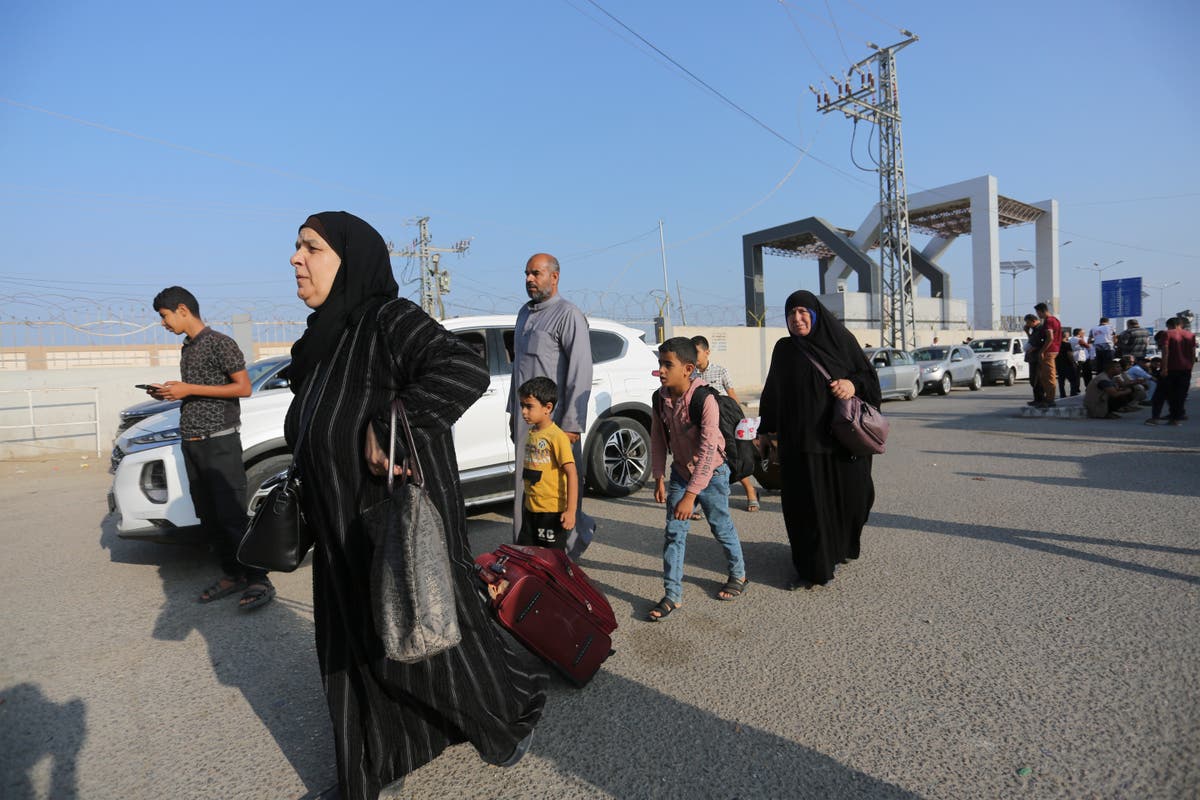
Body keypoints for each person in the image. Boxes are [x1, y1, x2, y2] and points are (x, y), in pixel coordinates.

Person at [286, 212, 544, 799]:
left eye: (311, 248)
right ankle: (372, 770)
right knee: (354, 653)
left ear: (350, 260)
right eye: (296, 247)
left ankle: (501, 727)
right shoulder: (322, 340)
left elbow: (463, 368)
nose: (296, 259)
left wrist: (389, 421)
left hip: (392, 529)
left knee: (434, 650)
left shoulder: (386, 319)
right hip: (339, 536)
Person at [149, 286, 270, 611]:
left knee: (231, 517)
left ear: (182, 310)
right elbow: (201, 392)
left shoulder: (220, 343)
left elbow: (242, 387)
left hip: (220, 442)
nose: (164, 324)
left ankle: (258, 578)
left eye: (164, 316)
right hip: (193, 444)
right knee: (209, 517)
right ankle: (231, 574)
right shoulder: (188, 347)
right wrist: (175, 393)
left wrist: (189, 388)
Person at [756, 290, 881, 590]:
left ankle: (841, 547)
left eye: (803, 312)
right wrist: (765, 431)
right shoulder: (784, 350)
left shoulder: (841, 342)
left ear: (815, 314)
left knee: (854, 500)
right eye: (791, 314)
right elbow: (773, 392)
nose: (797, 319)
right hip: (800, 447)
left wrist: (852, 384)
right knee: (806, 508)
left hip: (841, 445)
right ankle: (813, 568)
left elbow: (870, 379)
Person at [646, 337, 748, 621]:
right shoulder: (659, 398)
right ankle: (672, 594)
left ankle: (738, 575)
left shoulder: (705, 399)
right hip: (680, 471)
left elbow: (706, 451)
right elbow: (657, 439)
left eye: (668, 365)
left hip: (712, 473)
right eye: (660, 364)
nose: (662, 370)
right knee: (674, 534)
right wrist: (658, 477)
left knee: (720, 525)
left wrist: (691, 496)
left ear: (688, 369)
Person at [510, 253, 596, 554]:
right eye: (526, 274)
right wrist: (513, 416)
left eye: (536, 273)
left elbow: (580, 371)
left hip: (555, 423)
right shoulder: (523, 313)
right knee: (528, 487)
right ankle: (527, 550)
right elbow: (518, 369)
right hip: (525, 421)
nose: (529, 280)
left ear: (554, 277)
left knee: (561, 488)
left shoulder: (568, 314)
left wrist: (572, 423)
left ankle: (570, 550)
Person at [691, 335, 759, 512]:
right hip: (702, 422)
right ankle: (697, 501)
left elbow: (732, 395)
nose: (693, 356)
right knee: (702, 459)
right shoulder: (690, 375)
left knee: (731, 457)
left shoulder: (720, 371)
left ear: (707, 352)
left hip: (724, 422)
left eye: (696, 352)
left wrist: (742, 421)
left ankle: (750, 491)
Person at [515, 376, 578, 549]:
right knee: (526, 555)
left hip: (551, 512)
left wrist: (570, 511)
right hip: (530, 510)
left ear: (547, 408)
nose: (523, 412)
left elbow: (571, 473)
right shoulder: (532, 433)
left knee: (552, 561)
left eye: (529, 406)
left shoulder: (556, 437)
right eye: (522, 406)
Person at [1159, 316, 1198, 426]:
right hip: (1186, 368)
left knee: (1171, 394)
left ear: (1170, 325)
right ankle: (1179, 414)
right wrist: (1190, 366)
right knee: (1182, 393)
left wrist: (1164, 368)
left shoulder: (1167, 334)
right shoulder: (1190, 335)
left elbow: (1165, 352)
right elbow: (1193, 353)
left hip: (1172, 367)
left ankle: (1174, 417)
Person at [1034, 302, 1062, 407]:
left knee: (1049, 376)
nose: (1038, 315)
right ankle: (1047, 398)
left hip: (1049, 350)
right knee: (1044, 376)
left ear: (1042, 311)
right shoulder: (1055, 320)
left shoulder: (1049, 321)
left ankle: (1050, 399)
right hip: (1053, 350)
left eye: (1038, 313)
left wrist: (1042, 351)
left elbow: (1050, 337)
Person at [1023, 314, 1045, 406]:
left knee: (1037, 379)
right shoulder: (1034, 330)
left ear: (1034, 321)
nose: (1027, 324)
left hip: (1037, 357)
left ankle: (1040, 399)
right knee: (1033, 379)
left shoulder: (1041, 329)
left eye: (1028, 322)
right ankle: (1037, 399)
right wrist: (1027, 332)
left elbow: (1042, 342)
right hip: (1032, 357)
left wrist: (1034, 348)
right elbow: (1031, 341)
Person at [1055, 330, 1080, 398]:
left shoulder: (1057, 344)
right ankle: (1073, 393)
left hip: (1059, 364)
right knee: (1073, 380)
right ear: (1066, 336)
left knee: (1061, 380)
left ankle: (1062, 394)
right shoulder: (1067, 344)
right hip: (1067, 364)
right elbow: (1069, 354)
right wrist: (1073, 363)